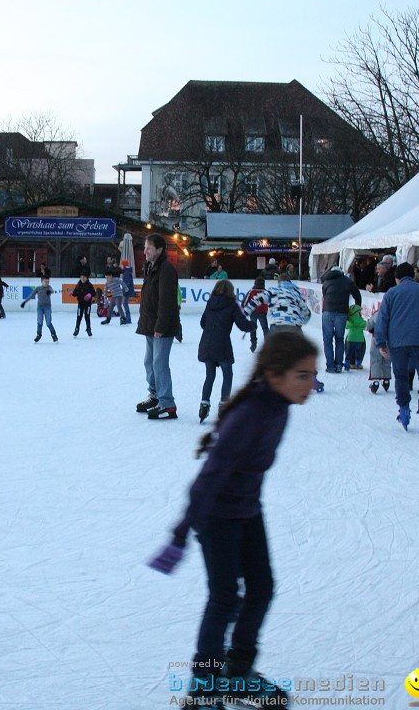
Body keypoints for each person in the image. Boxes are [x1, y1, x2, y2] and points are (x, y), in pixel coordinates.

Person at [147, 331, 319, 709]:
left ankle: (237, 674)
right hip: (217, 515)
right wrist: (179, 535)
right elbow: (208, 478)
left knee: (261, 590)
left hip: (247, 510)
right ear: (275, 374)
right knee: (225, 599)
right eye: (303, 375)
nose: (312, 383)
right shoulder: (251, 414)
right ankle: (204, 688)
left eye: (313, 374)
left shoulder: (278, 405)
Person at [374, 262, 419, 438]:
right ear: (412, 276)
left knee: (401, 378)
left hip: (397, 344)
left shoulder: (391, 293)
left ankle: (404, 413)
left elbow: (383, 318)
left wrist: (381, 342)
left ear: (397, 278)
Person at [135, 234, 182, 420]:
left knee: (159, 364)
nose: (145, 251)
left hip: (161, 326)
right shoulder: (151, 267)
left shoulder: (166, 269)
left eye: (149, 248)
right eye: (145, 247)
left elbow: (167, 301)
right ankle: (155, 395)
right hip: (150, 324)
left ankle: (167, 404)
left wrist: (160, 326)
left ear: (160, 249)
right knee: (149, 362)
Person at [197, 279, 253, 423]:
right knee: (227, 375)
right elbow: (242, 325)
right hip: (222, 345)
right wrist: (252, 325)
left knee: (209, 375)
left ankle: (204, 404)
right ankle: (223, 405)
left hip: (207, 344)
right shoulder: (232, 305)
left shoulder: (210, 303)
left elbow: (203, 323)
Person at [319, 264, 362, 373]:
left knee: (327, 340)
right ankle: (338, 365)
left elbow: (324, 295)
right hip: (342, 313)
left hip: (327, 312)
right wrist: (357, 309)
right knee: (339, 339)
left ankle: (330, 366)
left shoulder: (327, 281)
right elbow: (357, 294)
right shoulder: (347, 281)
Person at [21, 276, 58, 343]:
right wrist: (25, 302)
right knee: (39, 322)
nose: (47, 283)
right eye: (45, 281)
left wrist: (49, 292)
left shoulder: (49, 287)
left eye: (48, 281)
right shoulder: (38, 288)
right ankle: (39, 334)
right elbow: (31, 295)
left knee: (48, 322)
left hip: (47, 307)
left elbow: (52, 290)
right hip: (40, 308)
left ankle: (53, 334)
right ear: (42, 282)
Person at [241, 277, 272, 353]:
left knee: (253, 328)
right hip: (263, 312)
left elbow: (244, 302)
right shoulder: (266, 292)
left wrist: (244, 308)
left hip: (253, 312)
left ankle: (253, 343)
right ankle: (267, 344)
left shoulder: (251, 291)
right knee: (265, 328)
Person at [365, 314, 391, 394]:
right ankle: (386, 380)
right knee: (387, 359)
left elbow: (369, 325)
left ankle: (375, 381)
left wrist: (370, 328)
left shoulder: (379, 313)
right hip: (390, 339)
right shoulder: (395, 312)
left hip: (378, 338)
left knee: (376, 358)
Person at [71, 272, 97, 337]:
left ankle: (88, 329)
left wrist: (90, 295)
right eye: (81, 277)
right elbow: (75, 293)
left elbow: (94, 293)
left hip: (88, 304)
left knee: (87, 316)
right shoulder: (78, 285)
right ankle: (76, 329)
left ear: (87, 278)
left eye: (84, 277)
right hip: (80, 303)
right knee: (79, 316)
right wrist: (72, 293)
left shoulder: (90, 285)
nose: (82, 278)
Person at [343, 304, 366, 370]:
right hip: (359, 339)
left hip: (350, 338)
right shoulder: (361, 320)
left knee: (349, 352)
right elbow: (365, 325)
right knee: (358, 352)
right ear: (357, 312)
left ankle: (347, 364)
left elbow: (346, 326)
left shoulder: (349, 320)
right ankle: (358, 364)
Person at [120, 259, 135, 324]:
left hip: (127, 291)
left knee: (125, 303)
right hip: (127, 290)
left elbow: (127, 283)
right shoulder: (127, 272)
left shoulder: (126, 273)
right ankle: (127, 317)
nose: (120, 266)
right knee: (125, 303)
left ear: (124, 265)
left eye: (121, 265)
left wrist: (125, 292)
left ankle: (128, 318)